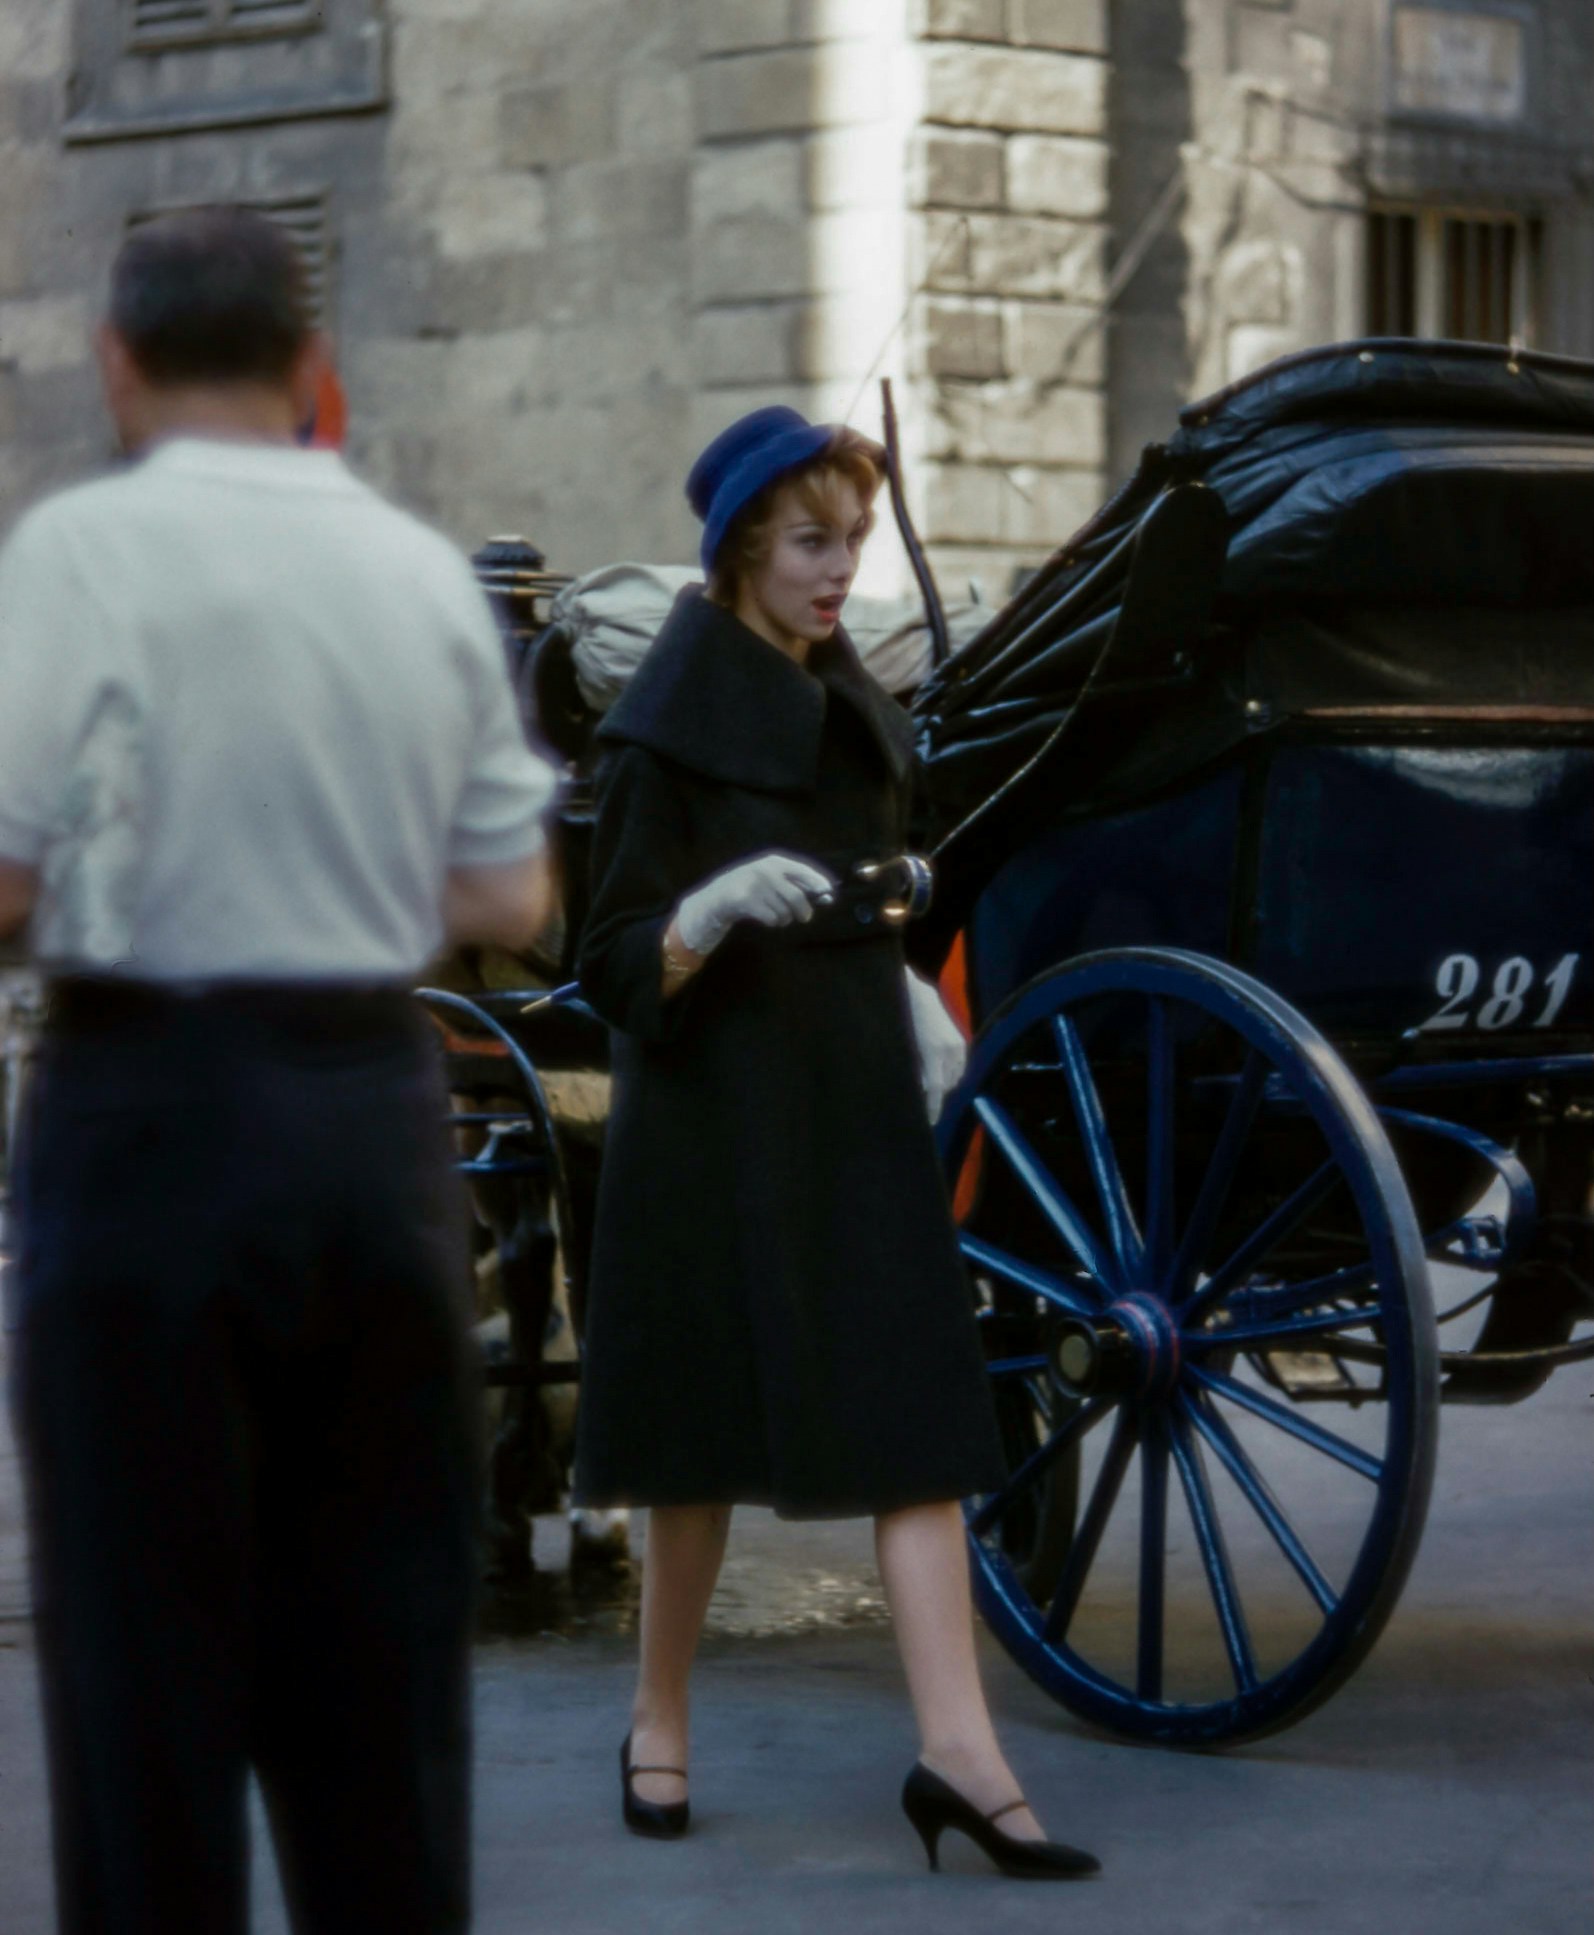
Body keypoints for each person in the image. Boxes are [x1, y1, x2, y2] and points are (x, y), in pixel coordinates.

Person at [0, 208, 555, 1935]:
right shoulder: (411, 570)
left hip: (142, 1112)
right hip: (367, 1114)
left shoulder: (79, 550)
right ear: (318, 371)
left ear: (117, 366)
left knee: (143, 1691)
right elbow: (508, 899)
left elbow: (6, 877)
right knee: (380, 1696)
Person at [573, 405, 1101, 1881]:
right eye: (812, 541)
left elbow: (875, 889)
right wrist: (701, 913)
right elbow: (608, 964)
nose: (837, 569)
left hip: (855, 1103)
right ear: (741, 549)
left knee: (912, 1432)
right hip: (710, 1116)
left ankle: (962, 1757)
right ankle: (656, 1714)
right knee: (692, 1454)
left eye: (852, 541)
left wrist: (895, 985)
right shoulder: (659, 735)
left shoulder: (855, 705)